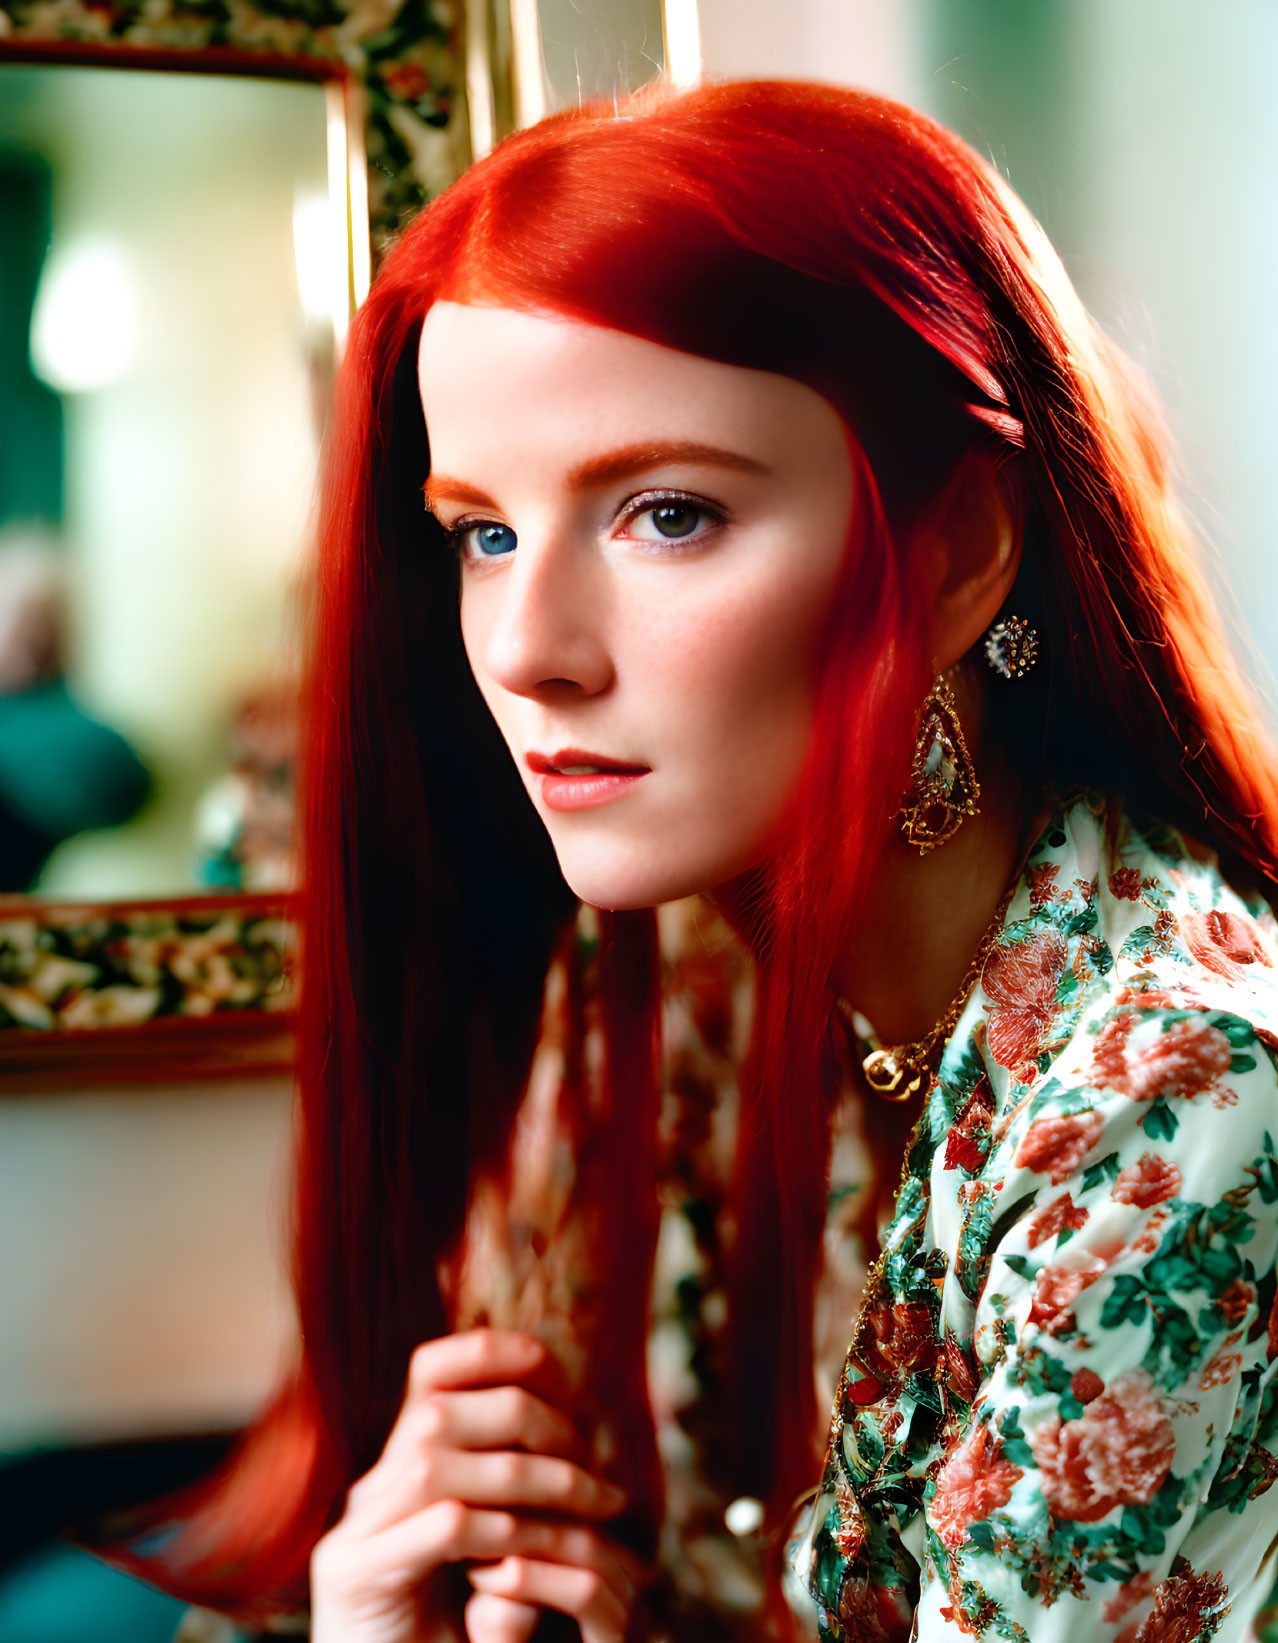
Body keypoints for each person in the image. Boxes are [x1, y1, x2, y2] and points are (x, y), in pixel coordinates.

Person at [98, 77, 1278, 1643]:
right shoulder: (679, 959)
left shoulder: (1179, 1094)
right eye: (482, 532)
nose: (527, 652)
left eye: (665, 513)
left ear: (954, 551)